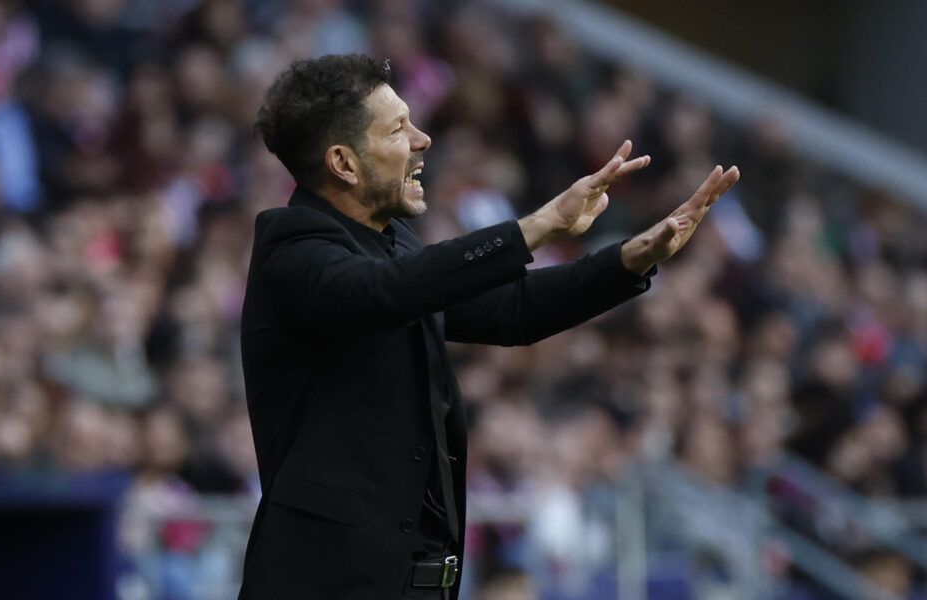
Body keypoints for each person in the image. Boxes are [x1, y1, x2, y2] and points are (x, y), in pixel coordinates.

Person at [238, 54, 739, 600]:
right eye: (399, 128)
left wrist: (629, 260)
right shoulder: (291, 250)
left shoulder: (395, 243)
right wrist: (541, 225)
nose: (424, 139)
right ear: (344, 162)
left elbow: (510, 310)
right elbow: (386, 291)